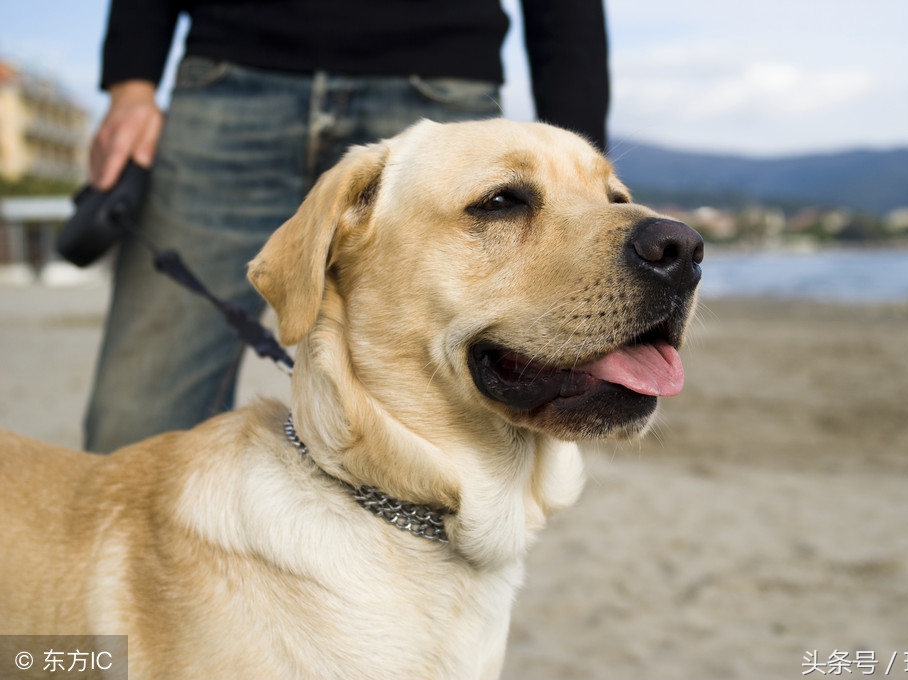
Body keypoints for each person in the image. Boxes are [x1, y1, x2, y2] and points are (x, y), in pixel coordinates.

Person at [84, 0, 610, 453]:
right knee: (134, 424)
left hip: (440, 75)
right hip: (228, 76)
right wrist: (131, 85)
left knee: (476, 426)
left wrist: (586, 182)